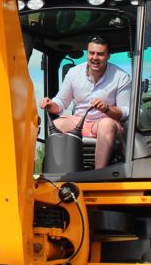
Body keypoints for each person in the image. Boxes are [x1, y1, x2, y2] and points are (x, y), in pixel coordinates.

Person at [40, 36, 131, 169]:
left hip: (104, 122)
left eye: (100, 54)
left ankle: (98, 175)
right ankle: (59, 173)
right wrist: (50, 105)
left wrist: (107, 109)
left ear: (108, 56)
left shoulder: (121, 77)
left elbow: (126, 112)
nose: (95, 57)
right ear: (87, 53)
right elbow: (60, 103)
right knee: (56, 124)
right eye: (91, 53)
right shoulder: (73, 73)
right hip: (80, 121)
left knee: (106, 125)